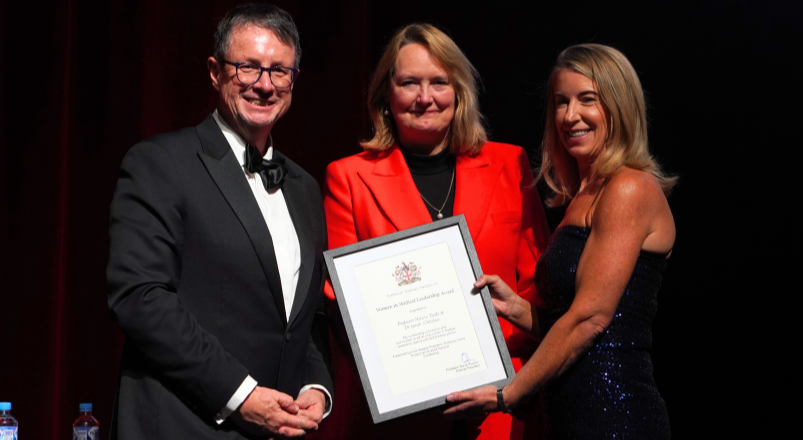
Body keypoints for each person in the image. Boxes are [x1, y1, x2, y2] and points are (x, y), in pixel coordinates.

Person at [106, 4, 333, 439]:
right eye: (248, 68)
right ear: (215, 72)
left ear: (294, 81)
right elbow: (139, 297)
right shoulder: (160, 163)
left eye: (279, 72)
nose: (264, 85)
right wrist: (242, 395)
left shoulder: (304, 188)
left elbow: (309, 318)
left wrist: (316, 387)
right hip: (182, 426)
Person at [314, 24, 550, 440]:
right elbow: (340, 301)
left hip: (500, 406)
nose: (425, 98)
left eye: (439, 82)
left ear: (458, 91)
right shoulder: (348, 177)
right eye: (409, 83)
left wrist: (505, 380)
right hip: (400, 418)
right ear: (386, 94)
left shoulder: (509, 165)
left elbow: (538, 286)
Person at [444, 43, 677, 439]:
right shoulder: (581, 196)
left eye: (587, 100)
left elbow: (591, 319)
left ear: (618, 107)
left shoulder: (628, 188)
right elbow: (570, 319)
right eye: (560, 102)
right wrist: (518, 308)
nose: (570, 116)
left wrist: (507, 394)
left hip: (616, 417)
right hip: (569, 414)